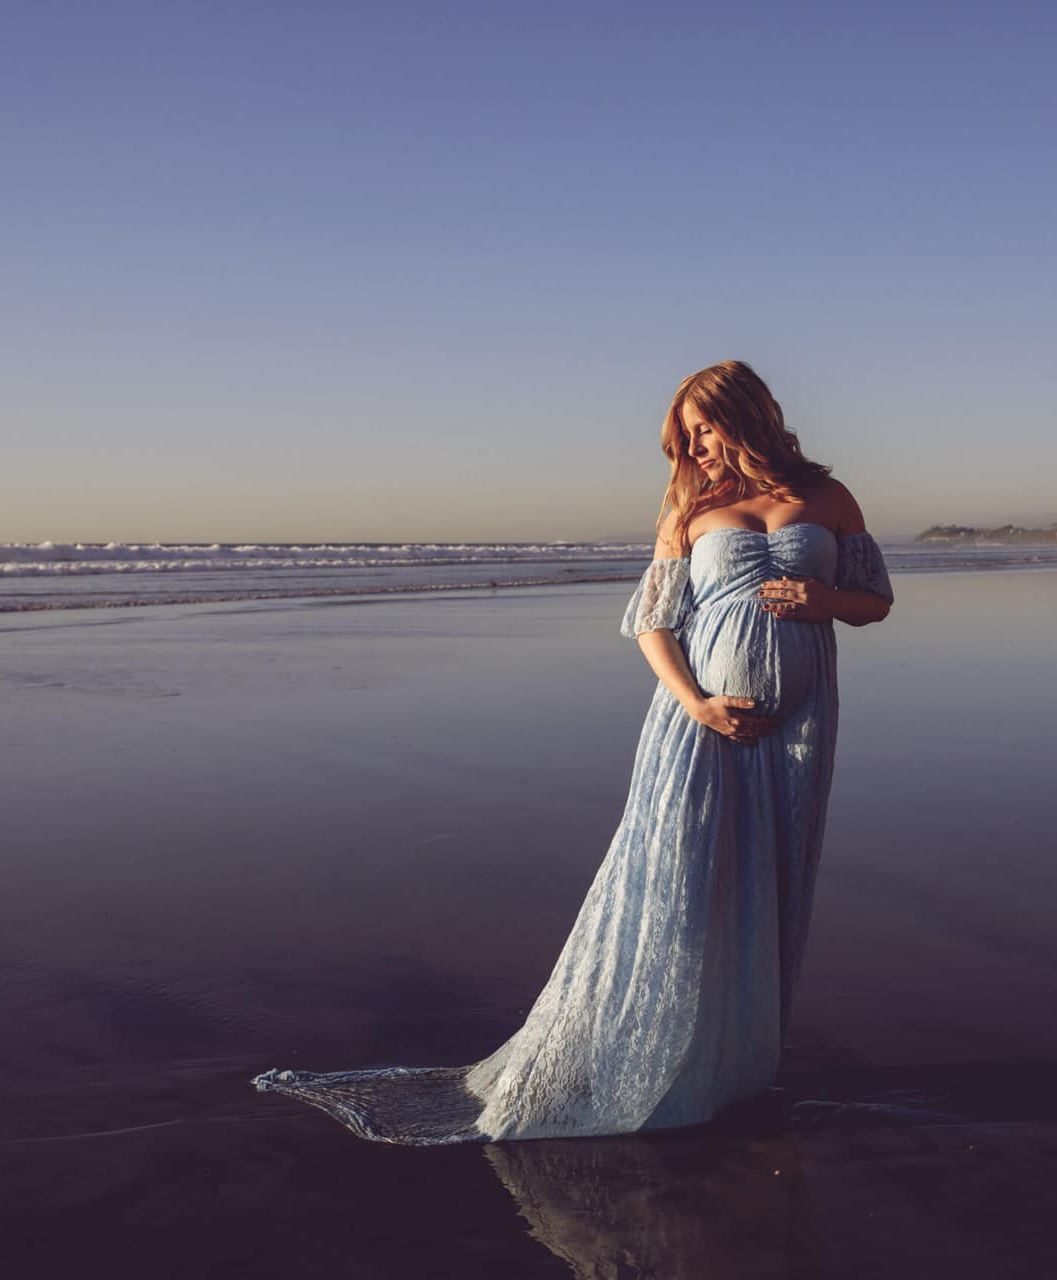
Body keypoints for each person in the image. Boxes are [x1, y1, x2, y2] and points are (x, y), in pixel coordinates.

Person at [253, 361, 894, 1143]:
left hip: (798, 729)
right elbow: (653, 623)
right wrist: (697, 703)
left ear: (748, 415)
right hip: (697, 724)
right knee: (678, 878)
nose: (695, 444)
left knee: (769, 880)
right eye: (686, 434)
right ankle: (642, 1056)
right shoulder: (692, 505)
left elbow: (875, 601)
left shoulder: (829, 498)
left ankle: (730, 1065)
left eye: (705, 427)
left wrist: (827, 601)